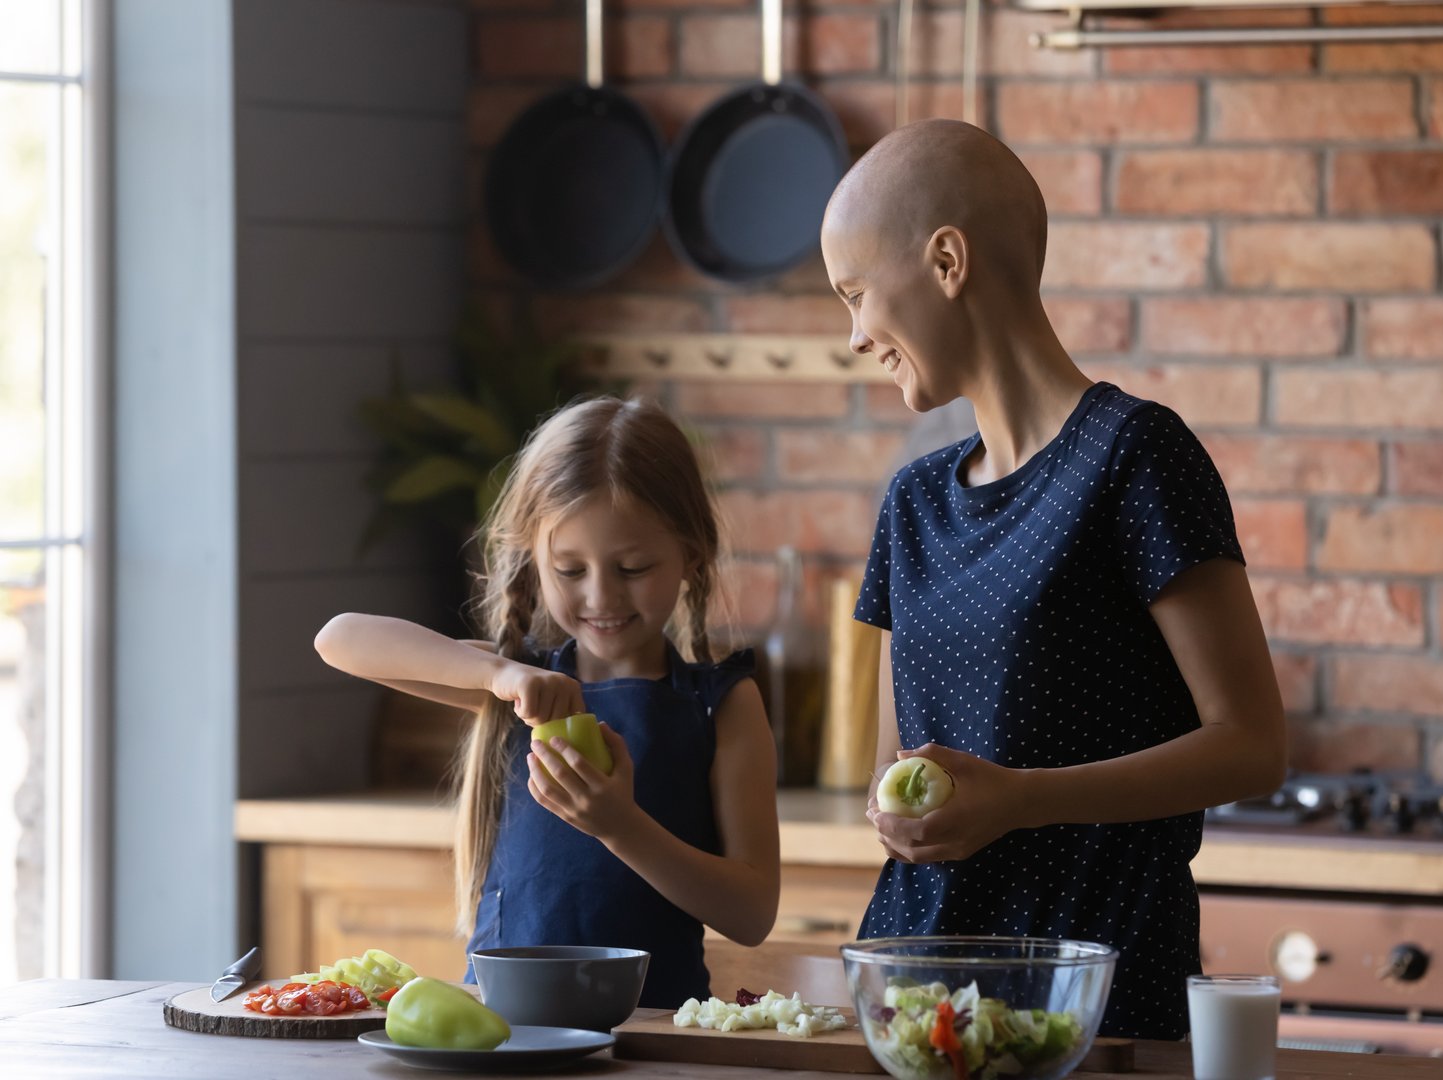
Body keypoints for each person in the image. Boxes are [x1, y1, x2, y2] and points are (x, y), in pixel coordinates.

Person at [821, 119, 1287, 1040]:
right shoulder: (913, 501)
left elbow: (1252, 746)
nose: (855, 334)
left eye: (857, 293)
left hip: (1094, 999)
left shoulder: (1136, 456)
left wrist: (1022, 799)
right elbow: (895, 776)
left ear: (947, 260)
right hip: (922, 1001)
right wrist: (900, 810)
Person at [313, 397, 779, 1008]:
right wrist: (496, 673)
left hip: (651, 1034)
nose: (601, 595)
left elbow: (751, 913)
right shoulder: (516, 684)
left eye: (633, 567)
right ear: (534, 559)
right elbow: (339, 639)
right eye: (569, 569)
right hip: (502, 1029)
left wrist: (620, 827)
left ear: (691, 555)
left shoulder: (723, 703)